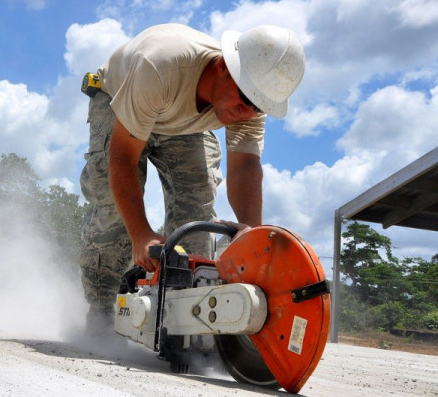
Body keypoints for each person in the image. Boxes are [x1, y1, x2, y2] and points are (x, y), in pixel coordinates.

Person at [78, 23, 305, 333]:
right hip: (122, 99)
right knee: (116, 212)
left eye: (258, 106)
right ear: (225, 67)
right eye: (245, 100)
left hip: (182, 120)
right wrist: (142, 234)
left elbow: (244, 168)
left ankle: (183, 322)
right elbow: (122, 159)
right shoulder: (159, 66)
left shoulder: (250, 98)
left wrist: (252, 236)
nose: (248, 113)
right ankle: (102, 317)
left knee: (197, 213)